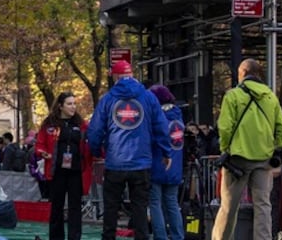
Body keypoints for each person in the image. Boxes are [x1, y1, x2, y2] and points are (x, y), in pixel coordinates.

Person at [87, 60, 172, 240]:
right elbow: (161, 127)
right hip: (141, 163)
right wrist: (166, 152)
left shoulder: (108, 99)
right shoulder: (148, 98)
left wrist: (96, 151)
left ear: (116, 76)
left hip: (115, 162)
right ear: (132, 74)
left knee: (111, 209)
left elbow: (95, 130)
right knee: (140, 209)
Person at [212, 58, 282, 240]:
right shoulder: (270, 97)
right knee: (263, 205)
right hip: (263, 160)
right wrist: (278, 147)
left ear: (243, 73)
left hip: (237, 160)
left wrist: (225, 148)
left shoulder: (233, 96)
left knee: (229, 207)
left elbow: (225, 127)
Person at [36, 92, 94, 240]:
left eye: (74, 103)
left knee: (75, 207)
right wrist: (43, 153)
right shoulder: (49, 124)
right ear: (60, 106)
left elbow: (91, 142)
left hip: (76, 171)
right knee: (56, 207)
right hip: (57, 172)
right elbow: (40, 144)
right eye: (69, 104)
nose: (73, 107)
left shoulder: (82, 124)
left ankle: (74, 237)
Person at [147, 85, 184, 240]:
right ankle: (178, 236)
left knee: (155, 204)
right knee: (172, 204)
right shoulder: (178, 115)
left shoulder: (156, 117)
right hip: (175, 168)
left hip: (157, 164)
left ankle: (160, 237)